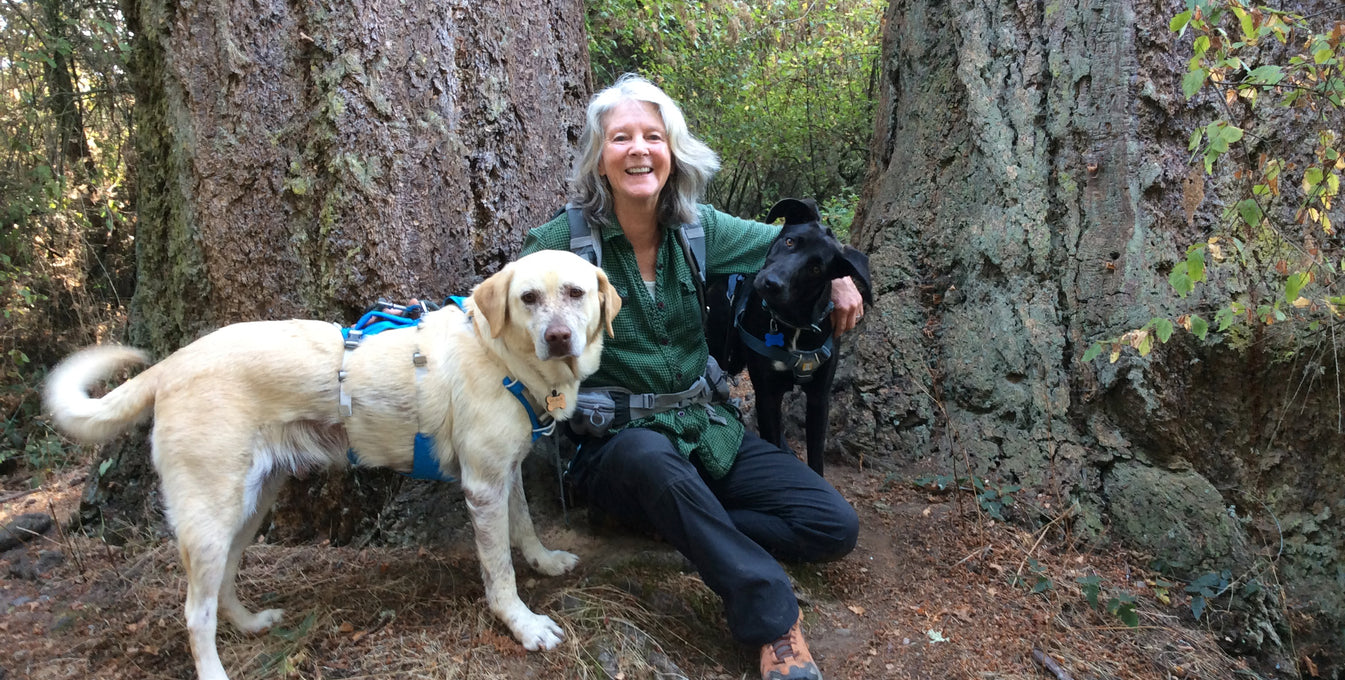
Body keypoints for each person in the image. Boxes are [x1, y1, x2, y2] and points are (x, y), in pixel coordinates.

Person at [521, 74, 862, 680]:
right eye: (620, 137)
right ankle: (774, 625)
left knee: (832, 525)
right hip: (617, 449)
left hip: (705, 429)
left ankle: (680, 523)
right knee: (653, 461)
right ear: (599, 158)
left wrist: (840, 276)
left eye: (653, 136)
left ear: (672, 152)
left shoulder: (698, 229)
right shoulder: (560, 246)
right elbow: (508, 314)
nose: (638, 149)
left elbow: (791, 241)